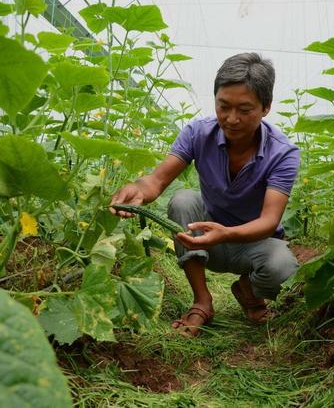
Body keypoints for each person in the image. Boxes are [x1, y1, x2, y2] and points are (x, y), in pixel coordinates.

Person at [110, 52, 300, 337]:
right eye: (223, 106)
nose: (231, 118)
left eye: (245, 110)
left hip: (253, 242)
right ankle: (202, 301)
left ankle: (247, 289)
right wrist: (137, 189)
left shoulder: (283, 153)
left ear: (266, 108)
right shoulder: (198, 133)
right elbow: (157, 181)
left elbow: (269, 220)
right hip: (204, 237)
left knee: (283, 267)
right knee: (184, 199)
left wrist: (226, 233)